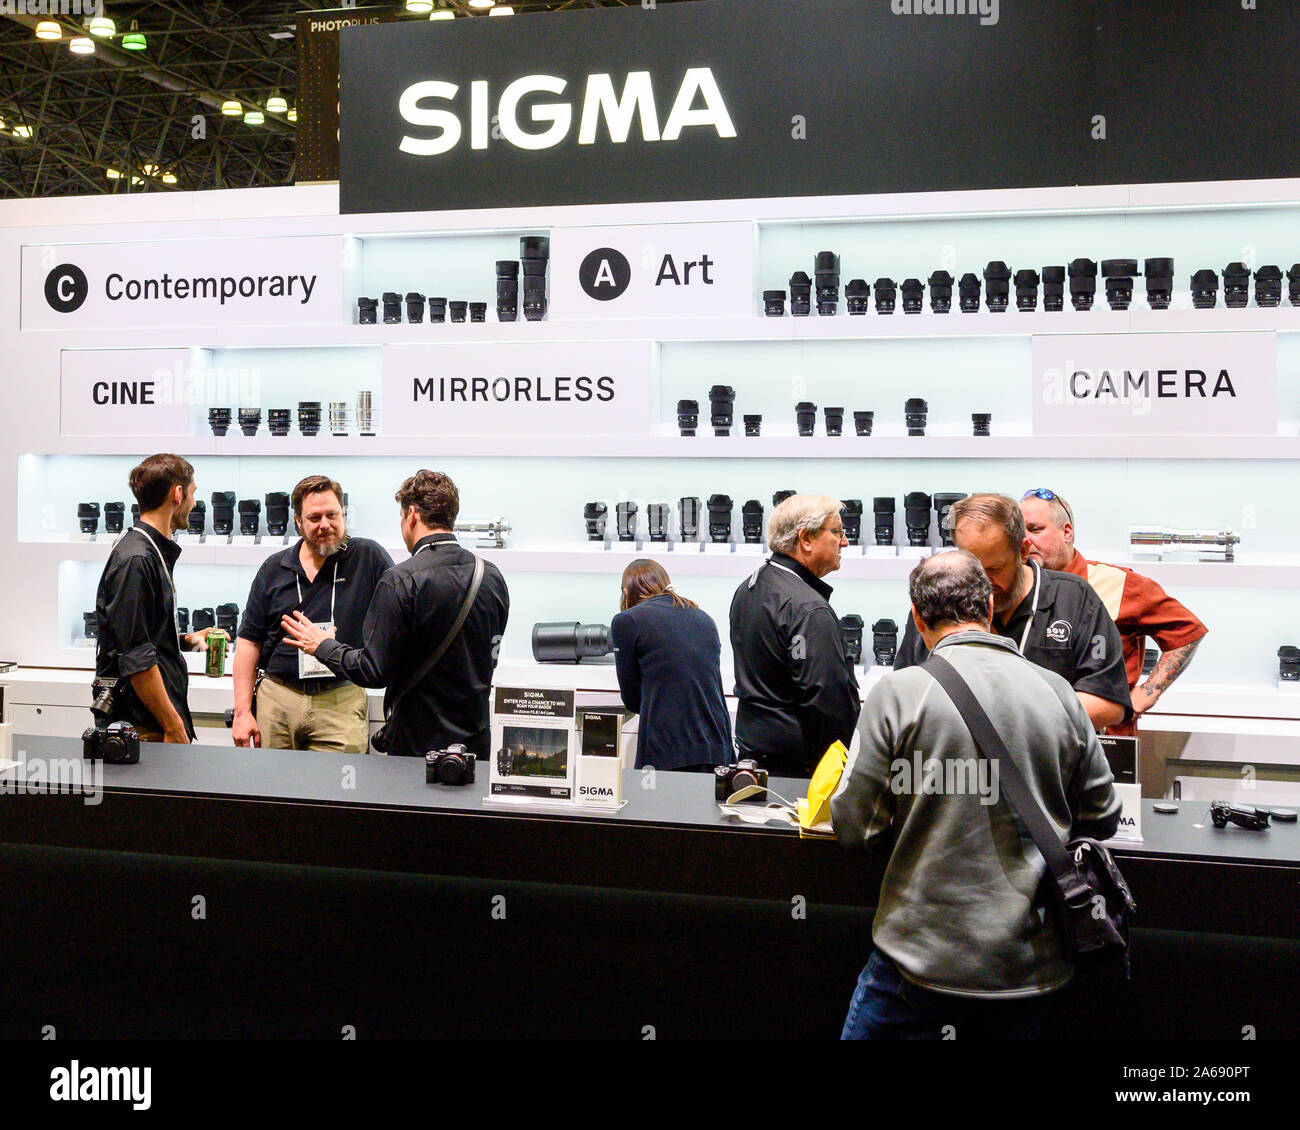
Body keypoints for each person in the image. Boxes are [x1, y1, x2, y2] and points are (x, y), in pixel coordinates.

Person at [832, 551, 1121, 1040]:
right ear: (989, 607)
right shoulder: (1058, 692)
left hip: (919, 959)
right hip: (1029, 964)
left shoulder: (899, 692)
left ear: (916, 615)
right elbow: (1103, 813)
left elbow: (854, 826)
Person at [280, 470, 509, 758]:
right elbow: (489, 655)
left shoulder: (400, 580)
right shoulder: (490, 576)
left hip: (417, 744)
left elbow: (374, 671)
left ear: (411, 515)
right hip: (475, 741)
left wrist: (322, 645)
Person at [893, 493, 1131, 730]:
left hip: (1048, 762)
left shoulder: (1074, 598)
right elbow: (904, 695)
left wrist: (1012, 724)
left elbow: (1107, 703)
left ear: (1024, 551)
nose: (983, 583)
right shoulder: (936, 602)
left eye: (995, 568)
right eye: (973, 569)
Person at [1020, 488, 1208, 738]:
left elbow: (1187, 632)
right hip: (1034, 736)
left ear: (1067, 532)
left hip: (1104, 740)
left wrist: (1147, 694)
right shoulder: (1018, 587)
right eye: (1019, 532)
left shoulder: (1119, 584)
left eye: (1035, 529)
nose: (1025, 540)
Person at [232, 475, 394, 753]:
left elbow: (396, 621)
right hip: (278, 699)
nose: (325, 525)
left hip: (340, 698)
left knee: (339, 790)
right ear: (298, 521)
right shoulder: (274, 569)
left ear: (343, 513)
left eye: (332, 515)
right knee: (272, 791)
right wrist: (242, 712)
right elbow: (249, 643)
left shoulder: (368, 558)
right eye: (314, 517)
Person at [94, 453, 225, 743]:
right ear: (178, 494)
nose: (194, 503)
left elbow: (136, 636)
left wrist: (185, 640)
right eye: (193, 493)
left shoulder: (143, 550)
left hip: (149, 722)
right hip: (144, 727)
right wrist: (173, 725)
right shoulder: (137, 559)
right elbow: (136, 657)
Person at [729, 494, 860, 779]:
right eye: (837, 532)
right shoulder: (808, 609)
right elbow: (826, 701)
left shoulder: (749, 587)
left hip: (755, 760)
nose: (845, 542)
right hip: (802, 771)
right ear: (806, 539)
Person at [610, 559, 732, 772]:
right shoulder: (704, 618)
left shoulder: (627, 621)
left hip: (668, 749)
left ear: (627, 591)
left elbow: (632, 699)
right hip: (718, 747)